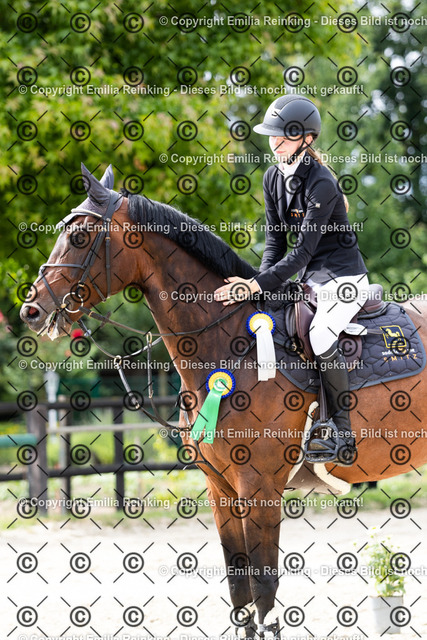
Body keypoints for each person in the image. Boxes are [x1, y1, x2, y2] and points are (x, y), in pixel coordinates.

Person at [214, 95, 370, 466]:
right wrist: (259, 285)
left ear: (308, 139)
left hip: (343, 278)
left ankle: (341, 432)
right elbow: (275, 243)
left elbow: (301, 253)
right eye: (273, 134)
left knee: (320, 334)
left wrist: (254, 285)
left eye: (285, 136)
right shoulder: (272, 177)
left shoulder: (322, 183)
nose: (276, 142)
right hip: (309, 280)